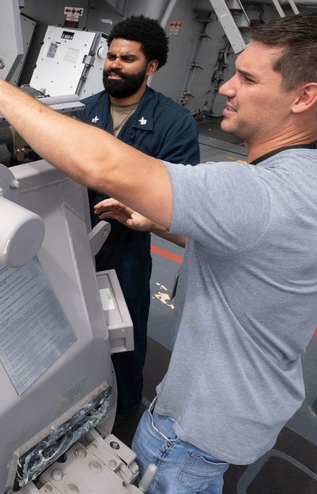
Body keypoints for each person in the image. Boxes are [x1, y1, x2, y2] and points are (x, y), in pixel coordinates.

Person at [0, 11, 317, 494]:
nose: (226, 87)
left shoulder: (256, 191)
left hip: (195, 415)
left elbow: (103, 163)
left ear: (304, 96)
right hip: (250, 408)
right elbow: (257, 245)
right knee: (198, 487)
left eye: (249, 78)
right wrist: (159, 221)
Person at [73, 15, 200, 427]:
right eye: (110, 56)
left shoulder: (173, 123)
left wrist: (142, 213)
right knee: (70, 326)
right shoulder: (81, 112)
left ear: (151, 66)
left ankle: (126, 408)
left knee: (124, 335)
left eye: (127, 58)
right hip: (70, 239)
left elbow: (181, 200)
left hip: (124, 249)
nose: (114, 64)